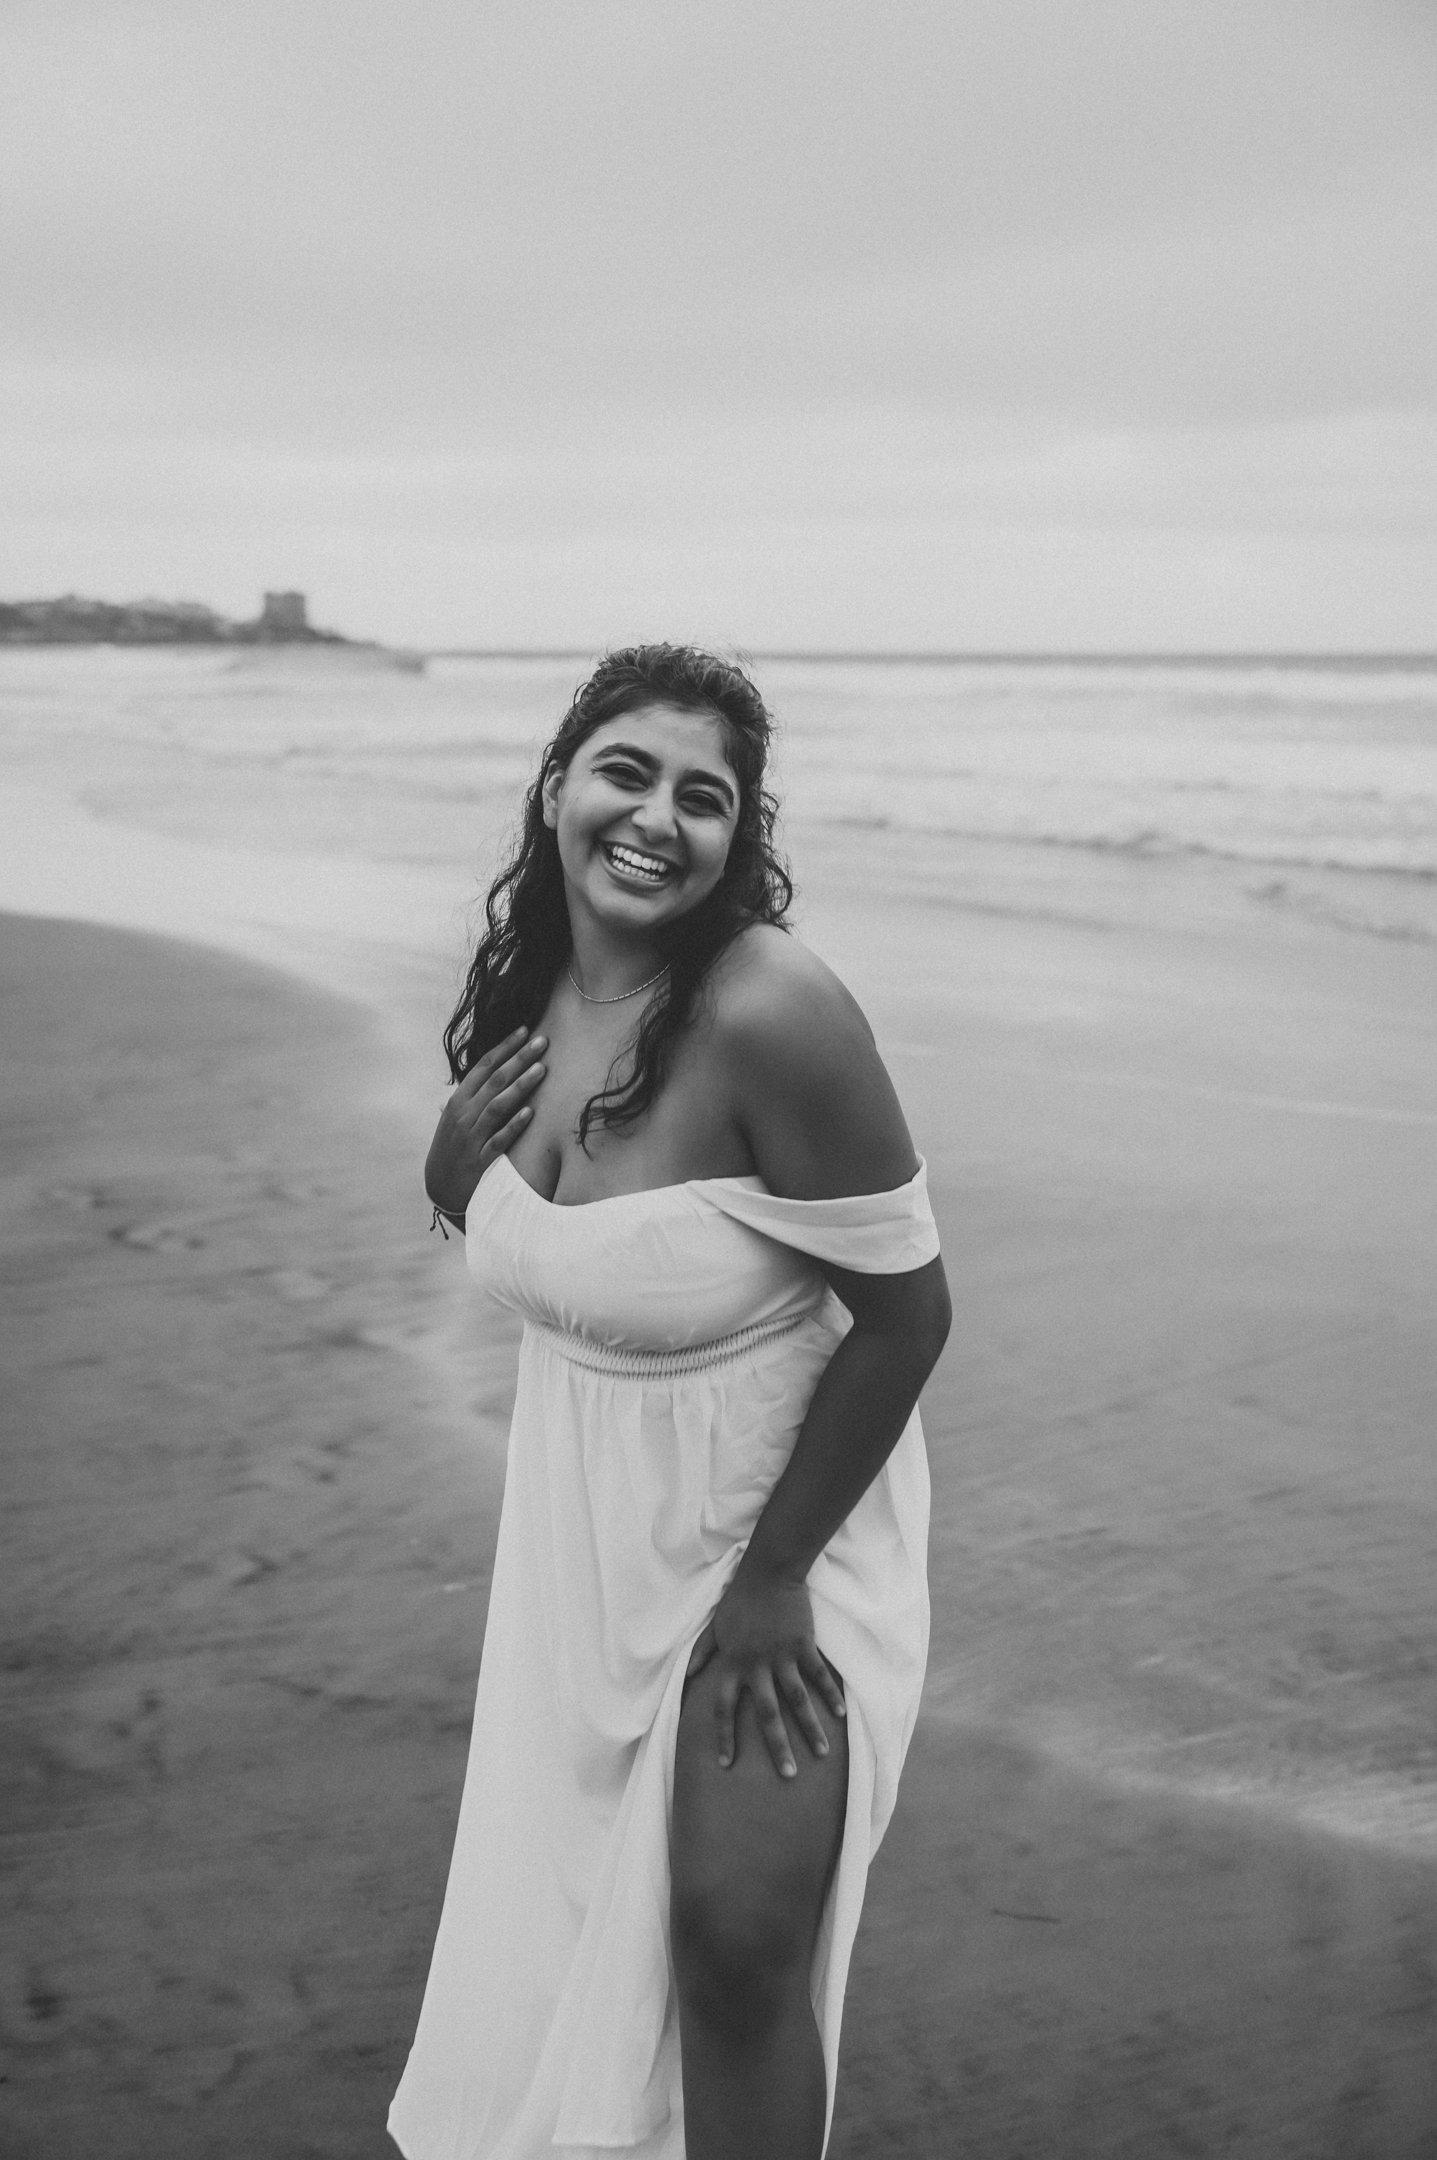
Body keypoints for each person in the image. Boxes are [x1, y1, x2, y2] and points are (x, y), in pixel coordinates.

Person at [388, 645, 950, 2160]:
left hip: (782, 1533)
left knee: (733, 1948)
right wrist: (453, 1180)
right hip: (589, 1555)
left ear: (735, 839)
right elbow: (548, 1243)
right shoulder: (533, 990)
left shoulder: (773, 1010)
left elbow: (910, 1315)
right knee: (597, 1953)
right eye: (625, 772)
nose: (656, 819)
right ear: (556, 790)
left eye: (704, 798)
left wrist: (772, 1580)